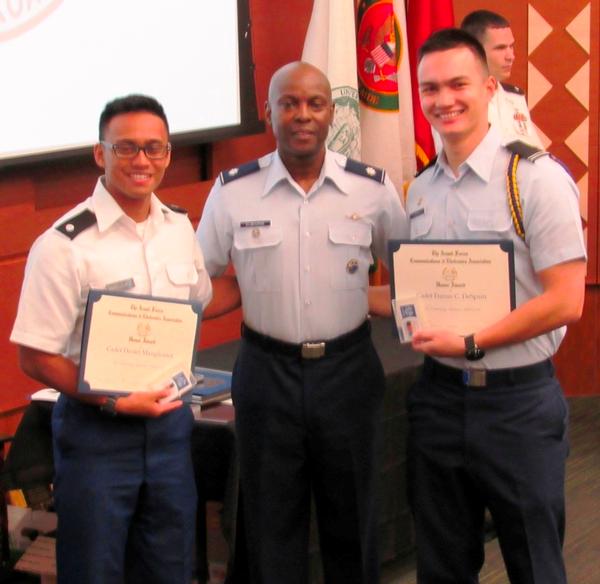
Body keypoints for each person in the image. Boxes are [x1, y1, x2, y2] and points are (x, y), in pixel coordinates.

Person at [196, 61, 408, 584]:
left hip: (348, 372)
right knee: (270, 525)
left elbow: (413, 274)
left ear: (331, 112)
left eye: (315, 103)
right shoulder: (231, 191)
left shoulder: (373, 190)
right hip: (267, 373)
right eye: (289, 104)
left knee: (352, 521)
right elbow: (206, 282)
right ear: (268, 113)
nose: (302, 115)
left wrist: (366, 297)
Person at [11, 95, 219, 583]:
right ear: (100, 154)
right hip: (97, 434)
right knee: (95, 571)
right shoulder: (64, 246)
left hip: (170, 432)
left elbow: (196, 307)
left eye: (154, 148)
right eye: (126, 148)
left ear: (168, 154)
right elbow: (35, 356)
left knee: (170, 569)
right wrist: (112, 400)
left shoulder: (178, 229)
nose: (142, 161)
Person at [402, 29, 585, 583]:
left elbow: (566, 300)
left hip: (517, 406)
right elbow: (420, 293)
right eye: (429, 88)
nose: (443, 99)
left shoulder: (534, 178)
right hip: (438, 399)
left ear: (488, 87)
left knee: (535, 563)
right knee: (443, 564)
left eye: (458, 84)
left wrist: (474, 343)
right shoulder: (422, 189)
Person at [461, 9, 543, 148]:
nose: (510, 56)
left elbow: (536, 152)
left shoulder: (515, 98)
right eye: (500, 48)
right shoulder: (458, 102)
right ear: (473, 51)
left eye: (511, 46)